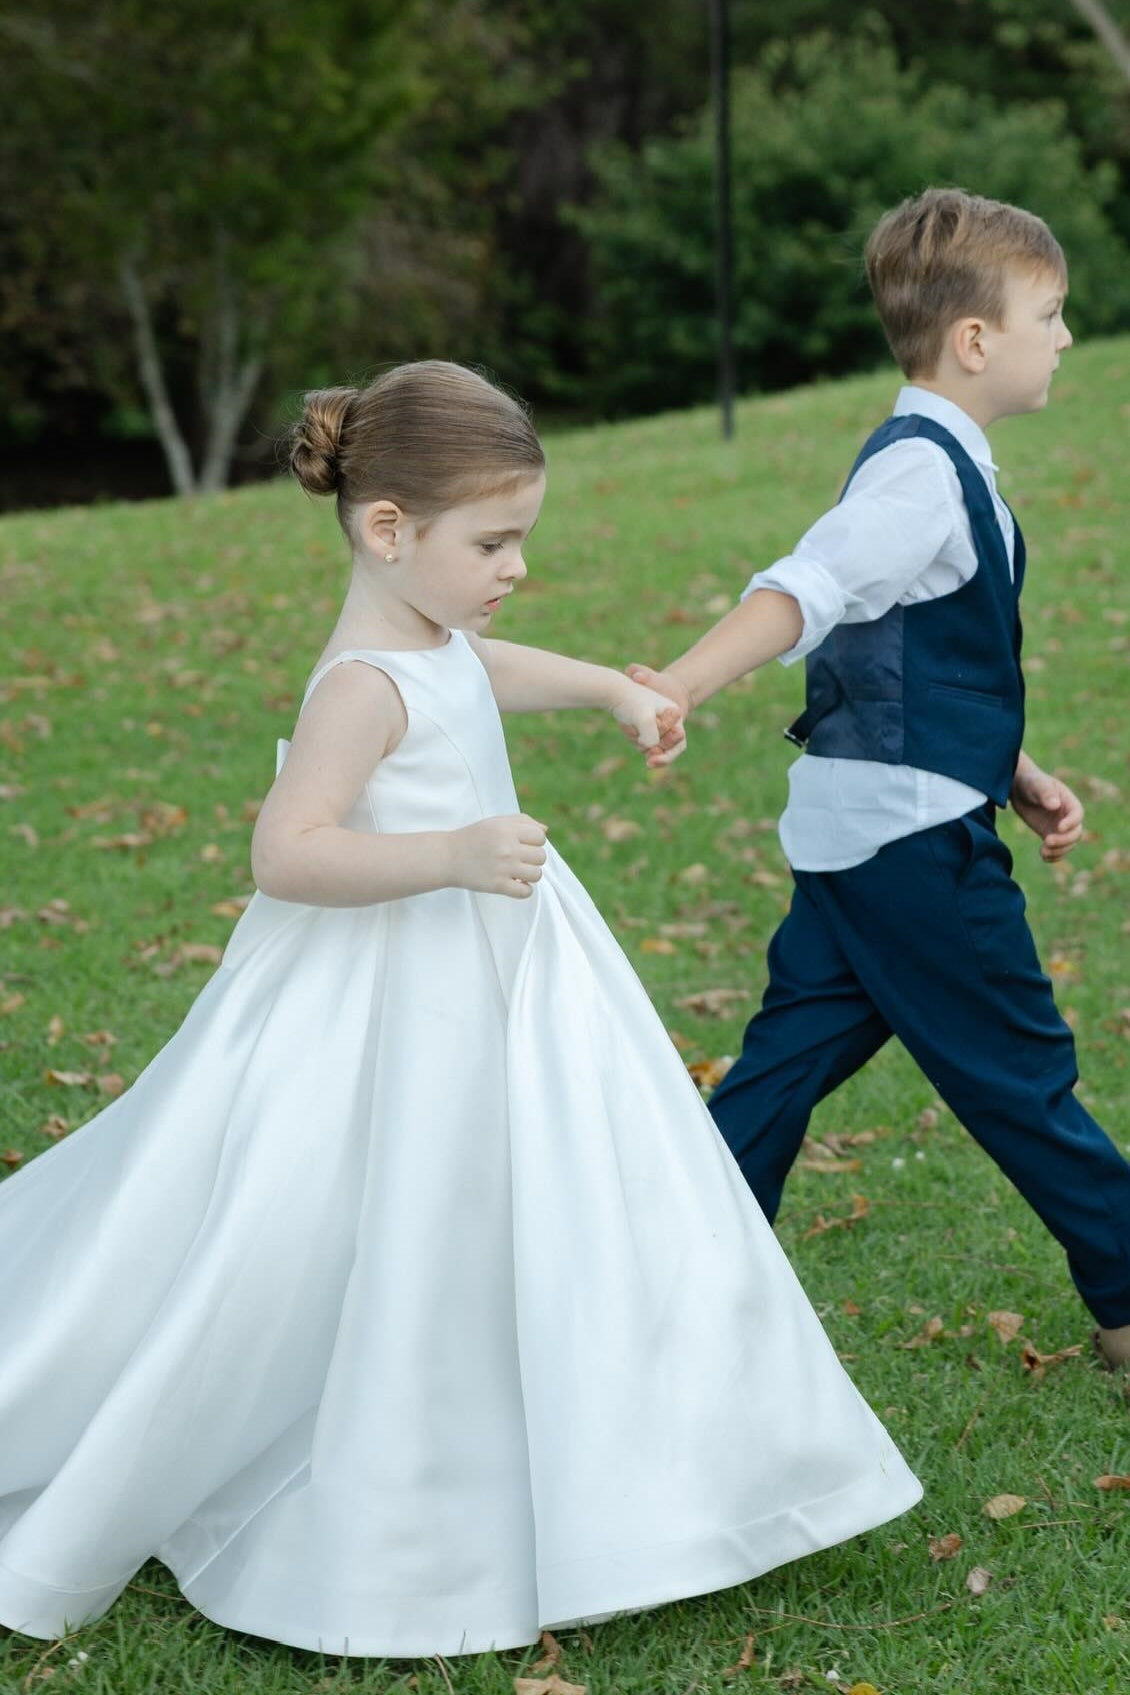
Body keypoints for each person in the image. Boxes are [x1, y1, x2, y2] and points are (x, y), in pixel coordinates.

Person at [0, 361, 920, 1658]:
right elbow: (287, 851)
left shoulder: (430, 643)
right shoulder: (359, 684)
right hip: (390, 995)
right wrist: (447, 853)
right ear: (389, 529)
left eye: (519, 538)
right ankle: (402, 1480)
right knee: (359, 1207)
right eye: (492, 542)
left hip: (497, 971)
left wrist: (609, 685)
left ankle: (637, 1450)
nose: (515, 566)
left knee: (538, 1189)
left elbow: (480, 671)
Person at [629, 188, 1130, 1372]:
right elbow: (807, 591)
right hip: (911, 847)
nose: (1064, 336)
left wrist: (1010, 767)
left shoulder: (930, 463)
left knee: (779, 1071)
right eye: (1048, 316)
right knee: (1018, 1076)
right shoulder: (918, 478)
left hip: (865, 829)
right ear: (975, 340)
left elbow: (904, 647)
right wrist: (680, 683)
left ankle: (655, 1285)